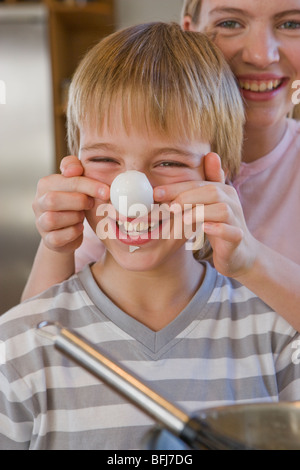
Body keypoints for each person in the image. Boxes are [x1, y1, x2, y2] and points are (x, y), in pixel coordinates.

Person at [1, 23, 299, 450]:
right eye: (104, 158)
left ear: (219, 176)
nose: (132, 194)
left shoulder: (273, 332)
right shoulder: (19, 343)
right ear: (74, 169)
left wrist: (249, 260)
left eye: (170, 163)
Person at [21, 0, 300, 332]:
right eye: (229, 23)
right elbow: (29, 346)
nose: (260, 54)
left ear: (217, 167)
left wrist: (251, 260)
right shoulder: (113, 196)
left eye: (291, 24)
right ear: (189, 33)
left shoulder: (258, 337)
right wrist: (57, 238)